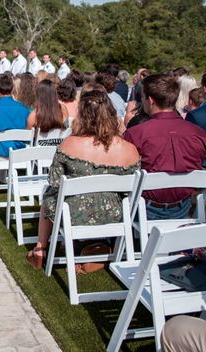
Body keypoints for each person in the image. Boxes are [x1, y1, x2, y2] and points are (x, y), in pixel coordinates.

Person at [26, 89, 140, 269]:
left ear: (82, 114)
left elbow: (54, 180)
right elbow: (130, 189)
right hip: (116, 215)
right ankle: (94, 247)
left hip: (74, 214)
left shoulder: (70, 144)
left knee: (49, 195)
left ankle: (41, 247)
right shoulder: (130, 149)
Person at [124, 74, 206, 220]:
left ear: (150, 100)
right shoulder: (198, 133)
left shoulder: (135, 134)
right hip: (185, 208)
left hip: (145, 210)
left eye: (142, 98)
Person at [27, 79, 70, 145]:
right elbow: (66, 130)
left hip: (38, 152)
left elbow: (28, 138)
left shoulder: (34, 115)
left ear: (38, 95)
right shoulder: (63, 109)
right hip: (58, 150)